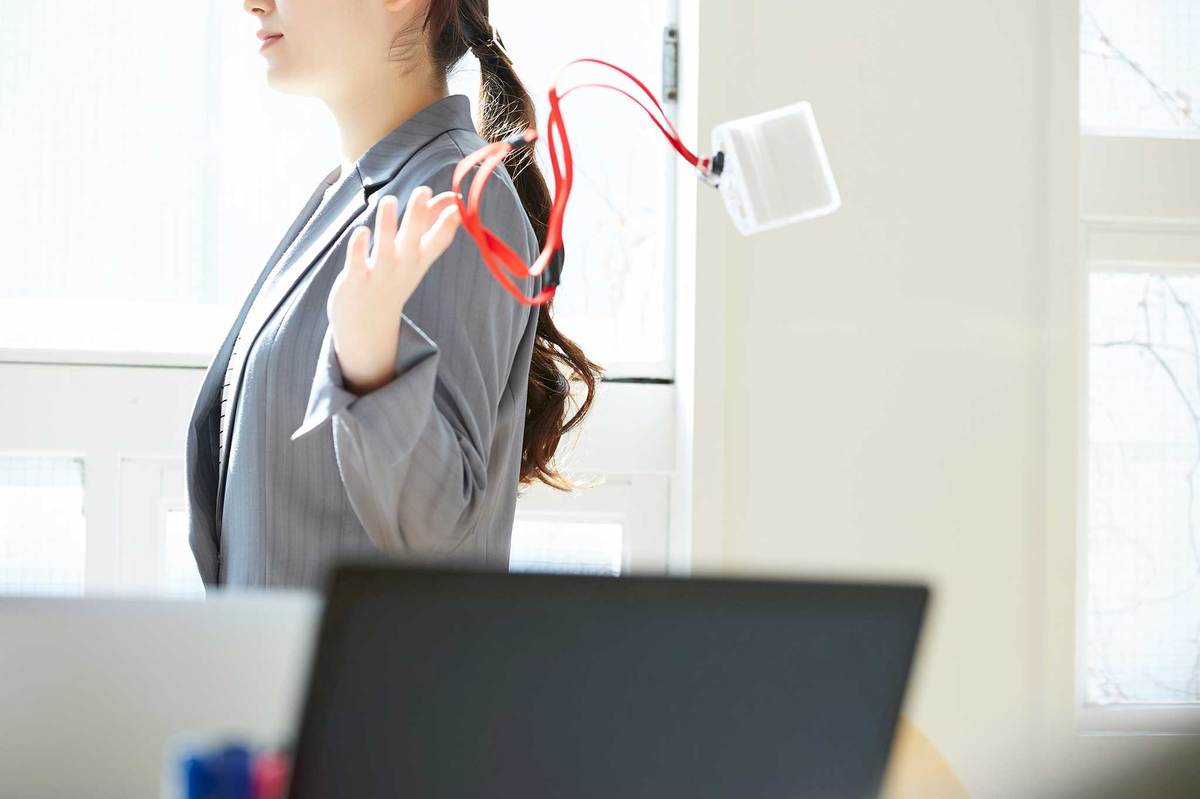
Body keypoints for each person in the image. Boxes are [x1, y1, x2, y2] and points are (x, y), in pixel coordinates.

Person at [186, 0, 602, 590]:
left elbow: (436, 530)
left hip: (361, 652)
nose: (253, 3)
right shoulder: (359, 194)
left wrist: (370, 357)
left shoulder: (454, 200)